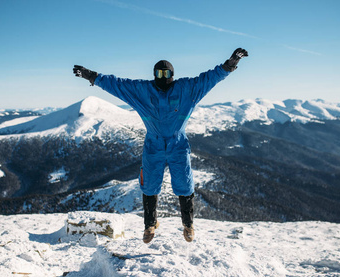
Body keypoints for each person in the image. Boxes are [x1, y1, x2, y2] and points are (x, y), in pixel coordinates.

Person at [73, 48, 248, 243]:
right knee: (149, 186)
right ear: (153, 75)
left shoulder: (186, 89)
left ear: (172, 75)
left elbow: (209, 79)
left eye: (166, 74)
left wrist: (230, 65)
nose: (162, 77)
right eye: (158, 73)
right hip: (153, 145)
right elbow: (117, 85)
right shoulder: (142, 91)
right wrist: (92, 76)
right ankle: (150, 225)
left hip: (178, 145)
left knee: (184, 184)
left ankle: (188, 224)